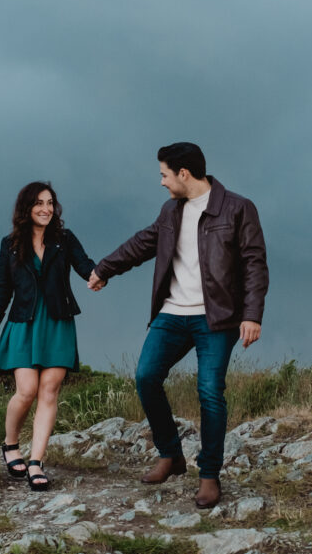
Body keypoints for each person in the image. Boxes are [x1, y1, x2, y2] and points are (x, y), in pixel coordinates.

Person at [87, 142, 269, 509]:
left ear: (183, 173)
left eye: (164, 175)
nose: (162, 182)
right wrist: (104, 268)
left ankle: (209, 475)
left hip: (216, 317)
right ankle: (170, 455)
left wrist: (252, 314)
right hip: (172, 313)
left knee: (209, 392)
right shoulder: (170, 212)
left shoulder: (237, 208)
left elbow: (254, 263)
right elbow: (142, 243)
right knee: (146, 376)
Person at [0, 181, 96, 491]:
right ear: (26, 208)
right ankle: (10, 445)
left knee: (49, 391)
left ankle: (36, 462)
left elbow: (86, 267)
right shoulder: (9, 245)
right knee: (26, 390)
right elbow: (3, 288)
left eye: (50, 203)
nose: (46, 208)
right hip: (23, 322)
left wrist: (102, 274)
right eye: (39, 203)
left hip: (58, 322)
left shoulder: (64, 239)